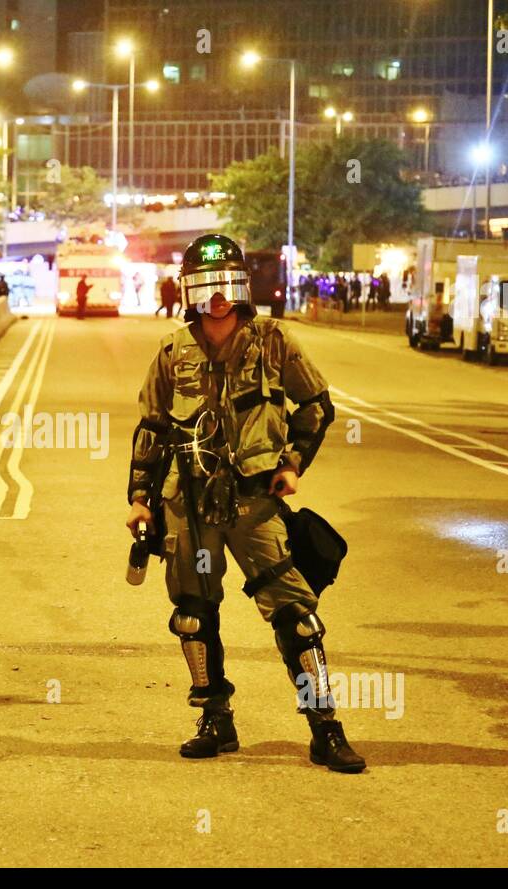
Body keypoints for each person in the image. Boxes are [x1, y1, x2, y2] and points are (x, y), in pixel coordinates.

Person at [125, 233, 365, 772]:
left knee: (298, 618)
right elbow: (153, 427)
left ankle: (325, 728)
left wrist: (293, 464)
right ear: (189, 290)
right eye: (206, 286)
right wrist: (140, 498)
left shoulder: (274, 341)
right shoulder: (171, 351)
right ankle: (215, 719)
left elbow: (316, 406)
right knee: (192, 616)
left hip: (255, 504)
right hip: (187, 503)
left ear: (241, 289)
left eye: (226, 285)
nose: (217, 298)